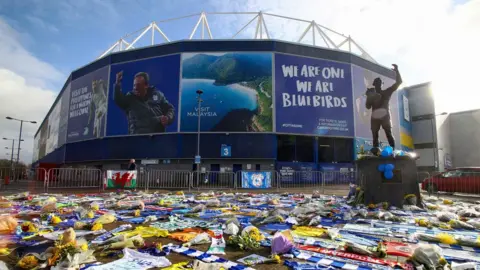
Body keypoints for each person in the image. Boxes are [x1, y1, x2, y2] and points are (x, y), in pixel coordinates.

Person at [365, 64, 402, 149]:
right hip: (375, 117)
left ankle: (392, 151)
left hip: (384, 116)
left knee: (388, 134)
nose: (378, 85)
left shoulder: (386, 92)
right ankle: (377, 152)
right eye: (377, 83)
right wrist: (369, 97)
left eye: (379, 83)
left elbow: (399, 82)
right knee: (375, 136)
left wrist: (397, 71)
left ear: (381, 84)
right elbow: (367, 107)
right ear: (375, 85)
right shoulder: (373, 94)